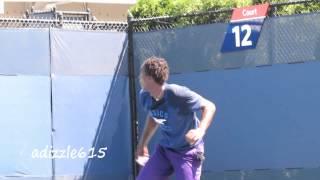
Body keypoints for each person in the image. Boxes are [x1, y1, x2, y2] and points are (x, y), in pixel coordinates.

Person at [136, 56, 216, 180]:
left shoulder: (177, 94)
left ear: (150, 79)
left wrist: (200, 130)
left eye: (142, 74)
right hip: (165, 150)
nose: (139, 77)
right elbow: (153, 117)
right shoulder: (145, 96)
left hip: (188, 152)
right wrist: (143, 143)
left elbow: (209, 106)